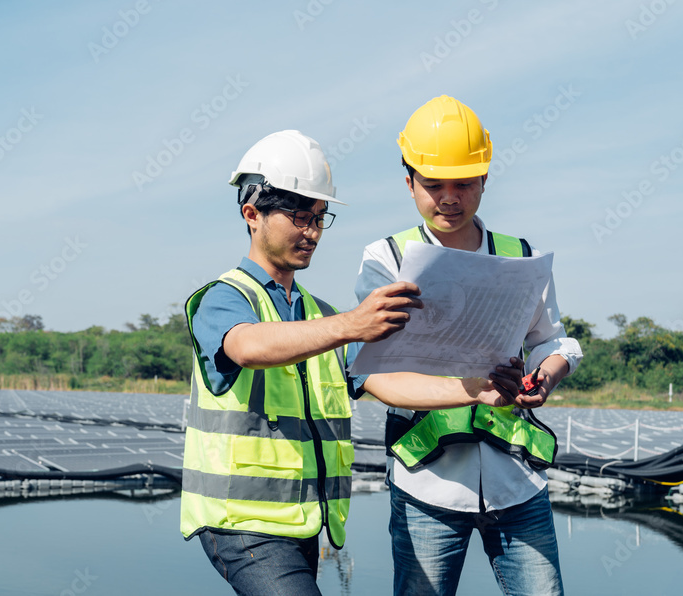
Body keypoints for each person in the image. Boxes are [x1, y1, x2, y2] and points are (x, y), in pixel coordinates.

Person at [181, 129, 528, 596]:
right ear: (251, 215)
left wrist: (473, 390)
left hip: (303, 523)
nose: (312, 233)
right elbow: (248, 346)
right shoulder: (225, 298)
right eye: (300, 217)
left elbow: (383, 383)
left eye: (321, 219)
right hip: (241, 522)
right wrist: (353, 324)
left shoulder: (319, 314)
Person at [354, 95, 584, 596]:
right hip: (428, 485)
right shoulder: (388, 259)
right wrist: (473, 390)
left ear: (485, 178)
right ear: (408, 179)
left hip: (517, 481)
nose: (449, 198)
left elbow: (551, 340)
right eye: (433, 185)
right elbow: (374, 374)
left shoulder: (518, 255)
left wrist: (547, 374)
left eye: (463, 184)